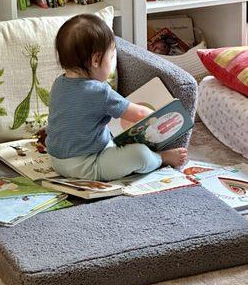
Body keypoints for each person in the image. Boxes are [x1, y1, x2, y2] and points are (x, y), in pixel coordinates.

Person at [45, 14, 187, 182]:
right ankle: (161, 158)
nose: (112, 63)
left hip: (56, 160)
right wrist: (164, 113)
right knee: (139, 154)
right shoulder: (99, 92)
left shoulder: (58, 83)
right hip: (88, 165)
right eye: (111, 58)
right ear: (96, 60)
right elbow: (141, 114)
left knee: (113, 138)